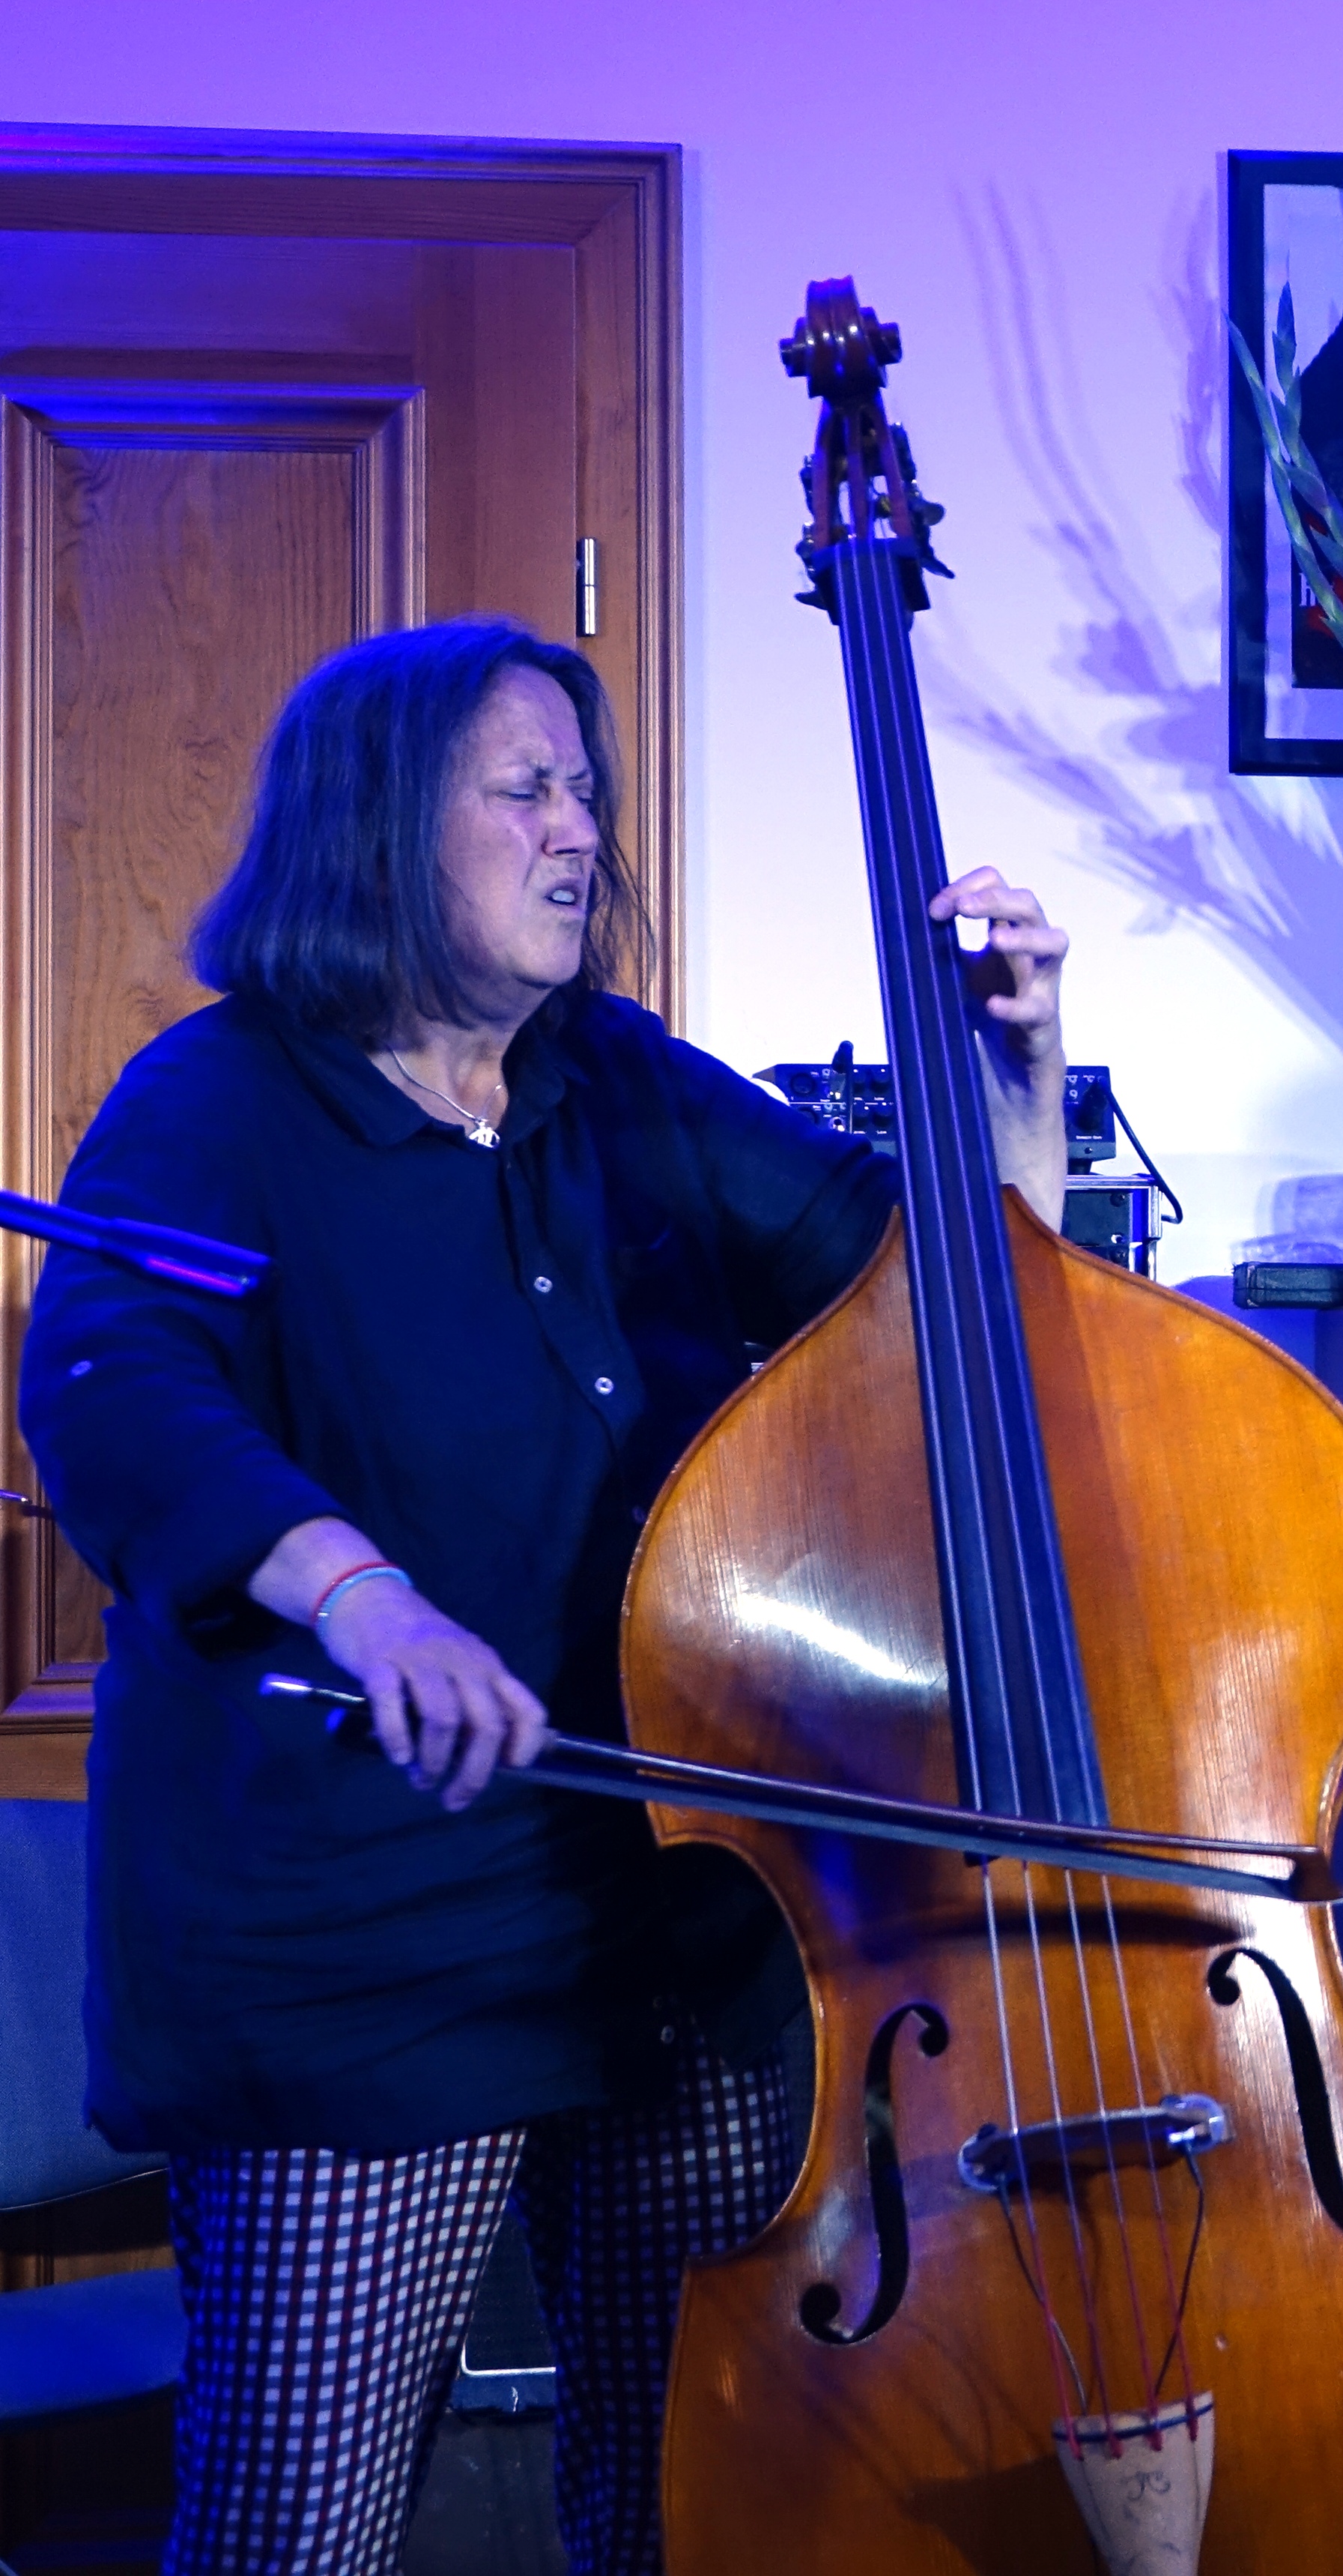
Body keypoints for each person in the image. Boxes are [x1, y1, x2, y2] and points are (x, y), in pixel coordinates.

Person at [21, 619, 1073, 2576]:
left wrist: (1013, 1069)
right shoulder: (220, 1104)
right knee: (297, 2537)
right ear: (376, 828)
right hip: (365, 1948)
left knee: (693, 2508)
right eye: (523, 788)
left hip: (667, 1908)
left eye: (585, 787)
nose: (577, 827)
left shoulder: (617, 1084)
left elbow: (933, 1311)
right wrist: (363, 1600)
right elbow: (111, 1385)